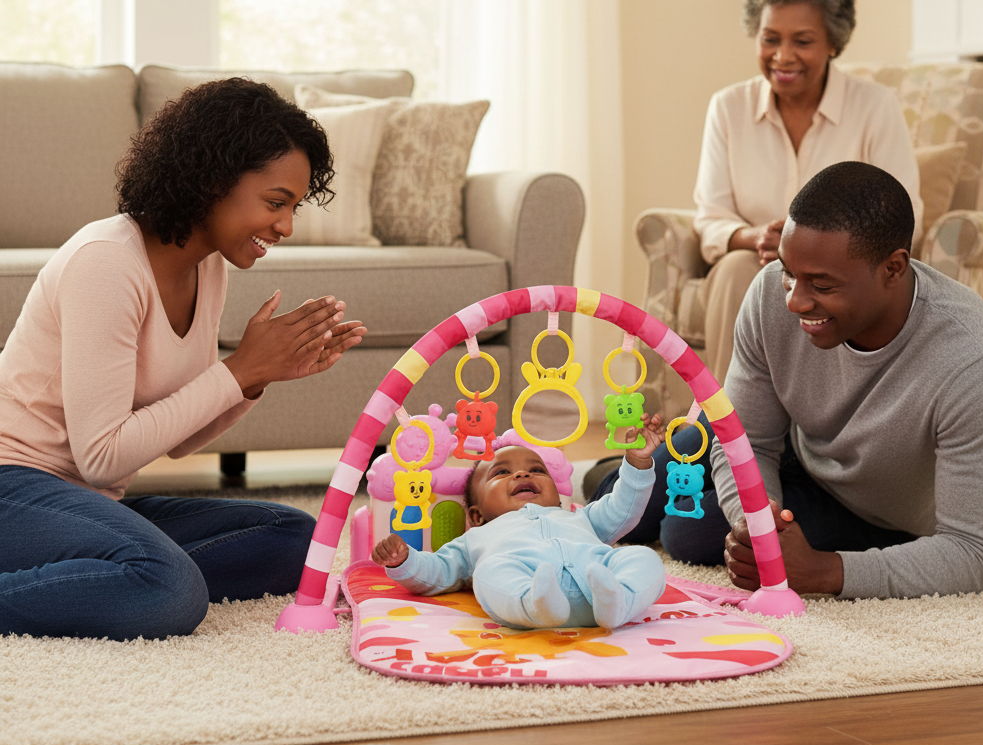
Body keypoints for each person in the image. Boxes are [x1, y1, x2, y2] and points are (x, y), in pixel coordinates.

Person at [0, 78, 368, 640]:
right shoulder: (107, 262)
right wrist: (239, 368)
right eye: (276, 203)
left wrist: (255, 378)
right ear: (213, 180)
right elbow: (102, 457)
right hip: (14, 487)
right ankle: (135, 574)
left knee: (293, 538)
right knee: (170, 590)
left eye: (293, 207)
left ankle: (114, 572)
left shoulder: (208, 266)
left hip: (85, 502)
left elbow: (177, 440)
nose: (286, 226)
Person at [600, 162, 983, 600]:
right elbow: (749, 439)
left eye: (821, 285)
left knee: (684, 531)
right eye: (789, 272)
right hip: (791, 440)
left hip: (874, 512)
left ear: (893, 268)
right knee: (629, 495)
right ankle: (610, 474)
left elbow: (975, 554)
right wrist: (756, 521)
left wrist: (824, 572)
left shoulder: (978, 362)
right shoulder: (770, 293)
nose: (794, 301)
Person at [693, 0, 924, 382]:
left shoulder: (875, 107)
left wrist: (826, 254)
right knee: (735, 271)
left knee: (832, 284)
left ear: (833, 42)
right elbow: (710, 216)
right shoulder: (728, 108)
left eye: (802, 41)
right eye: (770, 39)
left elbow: (905, 212)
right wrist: (757, 238)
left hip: (843, 272)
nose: (783, 56)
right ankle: (727, 416)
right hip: (755, 262)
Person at [372, 418, 667, 630]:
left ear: (557, 497)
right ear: (477, 516)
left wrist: (637, 463)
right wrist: (405, 561)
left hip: (599, 588)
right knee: (489, 572)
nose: (523, 475)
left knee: (643, 557)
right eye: (501, 473)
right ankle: (535, 605)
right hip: (532, 593)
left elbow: (623, 508)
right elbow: (436, 571)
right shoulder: (474, 539)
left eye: (537, 470)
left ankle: (620, 601)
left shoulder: (581, 517)